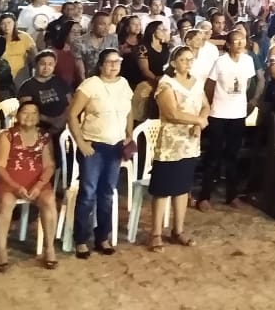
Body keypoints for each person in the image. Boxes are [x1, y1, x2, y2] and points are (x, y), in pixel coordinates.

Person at [67, 48, 133, 258]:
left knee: (107, 193)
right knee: (88, 193)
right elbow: (72, 115)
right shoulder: (90, 85)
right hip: (94, 145)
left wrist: (128, 133)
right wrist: (81, 142)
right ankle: (81, 239)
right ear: (101, 65)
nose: (114, 66)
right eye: (110, 62)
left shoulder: (123, 84)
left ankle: (102, 237)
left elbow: (129, 110)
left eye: (117, 62)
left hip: (114, 145)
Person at [148, 46, 210, 251]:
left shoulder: (196, 82)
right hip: (170, 141)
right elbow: (172, 113)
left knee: (183, 188)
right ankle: (156, 233)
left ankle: (178, 230)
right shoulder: (166, 84)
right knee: (163, 188)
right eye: (183, 60)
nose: (188, 63)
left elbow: (205, 105)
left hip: (189, 141)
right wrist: (199, 121)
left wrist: (198, 123)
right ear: (174, 63)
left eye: (190, 59)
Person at [0, 100, 59, 270]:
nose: (30, 116)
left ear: (39, 117)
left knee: (49, 199)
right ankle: (1, 250)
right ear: (18, 116)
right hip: (7, 182)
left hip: (36, 183)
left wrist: (39, 185)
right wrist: (15, 186)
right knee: (7, 201)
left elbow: (49, 165)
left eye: (34, 113)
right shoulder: (8, 136)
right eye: (25, 112)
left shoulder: (44, 137)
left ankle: (49, 249)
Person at [200, 24, 259, 210]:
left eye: (242, 40)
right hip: (218, 113)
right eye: (236, 41)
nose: (240, 44)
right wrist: (209, 108)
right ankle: (204, 196)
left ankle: (232, 195)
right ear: (228, 44)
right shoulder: (220, 62)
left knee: (233, 156)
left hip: (238, 114)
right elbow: (209, 87)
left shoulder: (248, 60)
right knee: (213, 156)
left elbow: (248, 83)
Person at [17, 50, 73, 135]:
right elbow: (27, 111)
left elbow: (71, 103)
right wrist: (52, 121)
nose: (46, 68)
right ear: (36, 65)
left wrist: (62, 120)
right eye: (43, 64)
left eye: (50, 64)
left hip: (64, 127)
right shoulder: (27, 86)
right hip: (39, 129)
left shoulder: (59, 81)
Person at [0, 14, 36, 84]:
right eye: (3, 23)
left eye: (9, 23)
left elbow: (34, 56)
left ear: (15, 23)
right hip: (3, 77)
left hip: (21, 75)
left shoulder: (24, 37)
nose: (6, 26)